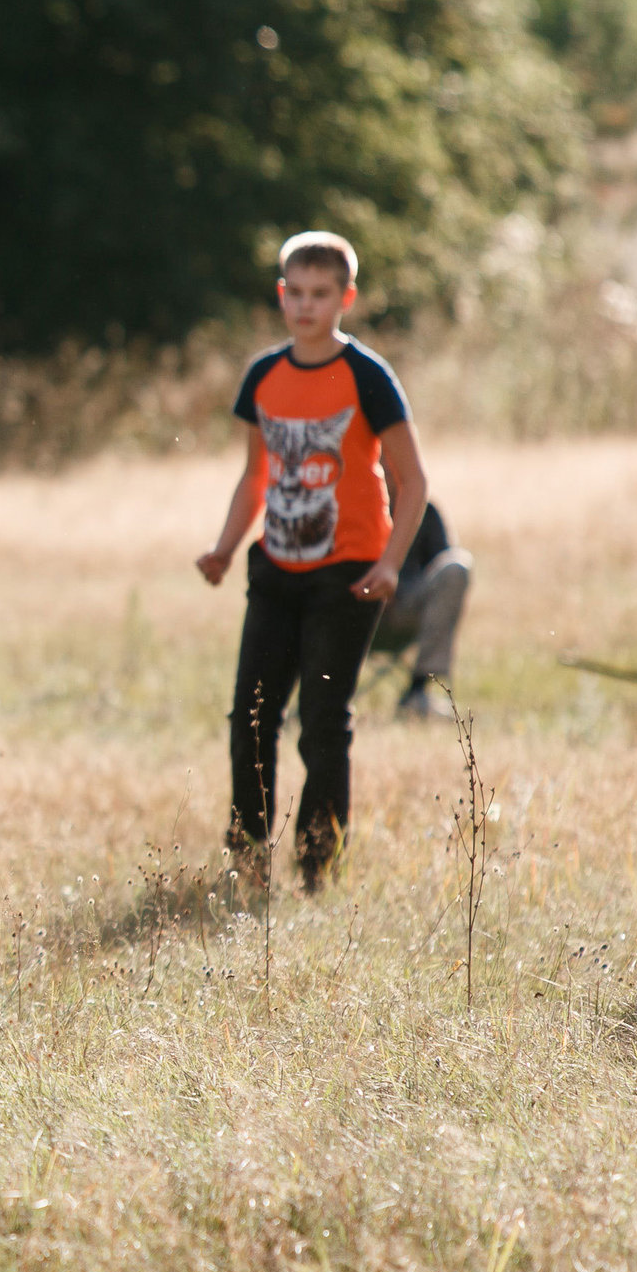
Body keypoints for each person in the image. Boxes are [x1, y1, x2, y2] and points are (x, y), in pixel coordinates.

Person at [196, 230, 428, 893]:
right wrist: (223, 545)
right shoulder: (263, 377)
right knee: (251, 718)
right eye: (295, 292)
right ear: (280, 294)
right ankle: (246, 859)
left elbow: (413, 481)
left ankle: (317, 867)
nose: (305, 305)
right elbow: (254, 478)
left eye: (320, 294)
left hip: (347, 573)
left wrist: (388, 564)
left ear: (345, 298)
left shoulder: (367, 377)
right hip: (275, 569)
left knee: (324, 724)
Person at [388, 499, 473, 719]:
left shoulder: (426, 511)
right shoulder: (352, 504)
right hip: (354, 607)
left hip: (406, 608)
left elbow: (445, 560)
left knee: (456, 567)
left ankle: (419, 689)